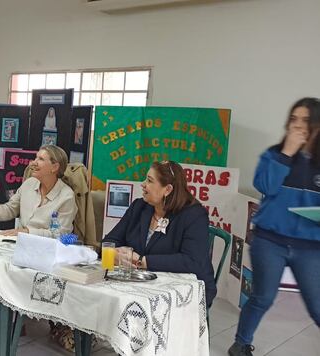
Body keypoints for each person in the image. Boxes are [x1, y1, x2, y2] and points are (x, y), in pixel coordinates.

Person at [228, 98, 320, 356]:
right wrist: (286, 154)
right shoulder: (274, 155)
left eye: (305, 120)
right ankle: (240, 345)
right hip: (269, 242)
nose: (298, 126)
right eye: (294, 119)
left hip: (310, 247)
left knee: (317, 306)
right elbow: (265, 186)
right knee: (262, 297)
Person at [103, 160, 216, 307]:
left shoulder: (194, 215)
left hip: (185, 291)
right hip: (141, 284)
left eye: (149, 181)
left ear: (167, 190)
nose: (143, 185)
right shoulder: (139, 207)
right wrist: (112, 254)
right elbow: (109, 241)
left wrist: (141, 261)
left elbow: (191, 261)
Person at [0, 145, 76, 237]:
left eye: (41, 159)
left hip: (47, 249)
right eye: (36, 158)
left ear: (54, 167)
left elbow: (60, 234)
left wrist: (28, 232)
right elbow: (10, 210)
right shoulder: (29, 184)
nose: (33, 162)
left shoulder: (67, 196)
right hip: (20, 244)